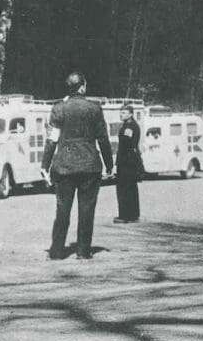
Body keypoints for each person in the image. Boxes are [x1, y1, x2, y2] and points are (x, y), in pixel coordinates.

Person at [41, 72, 113, 260]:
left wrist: (45, 164)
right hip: (90, 167)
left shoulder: (58, 109)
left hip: (64, 165)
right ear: (82, 87)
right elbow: (103, 139)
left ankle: (56, 251)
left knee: (62, 210)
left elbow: (52, 140)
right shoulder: (95, 109)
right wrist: (109, 164)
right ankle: (83, 251)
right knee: (87, 210)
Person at [113, 104, 142, 223]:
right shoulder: (130, 125)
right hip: (131, 160)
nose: (121, 114)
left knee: (124, 188)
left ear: (130, 114)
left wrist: (119, 161)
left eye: (124, 113)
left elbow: (126, 143)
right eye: (121, 112)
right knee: (131, 188)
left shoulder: (129, 127)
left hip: (126, 161)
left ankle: (125, 215)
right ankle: (133, 214)